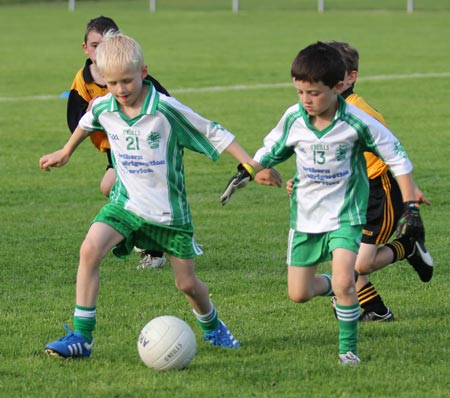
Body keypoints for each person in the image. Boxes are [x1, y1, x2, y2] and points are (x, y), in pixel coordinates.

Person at [39, 31, 268, 358]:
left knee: (187, 284)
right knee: (90, 249)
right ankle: (82, 337)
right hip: (125, 205)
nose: (121, 90)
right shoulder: (105, 105)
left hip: (169, 215)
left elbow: (213, 131)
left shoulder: (165, 110)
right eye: (113, 83)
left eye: (127, 81)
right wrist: (66, 151)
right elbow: (88, 121)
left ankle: (213, 326)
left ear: (143, 73)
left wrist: (251, 165)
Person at [220, 41, 426, 365]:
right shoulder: (294, 118)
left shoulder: (357, 122)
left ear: (338, 86)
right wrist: (247, 171)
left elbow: (397, 157)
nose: (306, 100)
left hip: (346, 214)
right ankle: (335, 287)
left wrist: (411, 205)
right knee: (298, 294)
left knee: (348, 278)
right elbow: (272, 148)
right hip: (305, 218)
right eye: (300, 92)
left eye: (314, 93)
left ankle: (348, 350)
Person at [285, 41, 434, 322]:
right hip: (342, 195)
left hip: (378, 192)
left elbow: (393, 151)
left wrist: (409, 189)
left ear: (348, 77)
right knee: (343, 257)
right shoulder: (321, 109)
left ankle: (407, 247)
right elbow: (319, 153)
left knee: (360, 263)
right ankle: (376, 310)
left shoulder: (360, 113)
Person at [67, 16, 168, 269]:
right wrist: (95, 116)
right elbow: (75, 122)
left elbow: (166, 103)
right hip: (116, 150)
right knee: (109, 188)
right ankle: (154, 233)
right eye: (94, 45)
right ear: (85, 48)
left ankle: (153, 248)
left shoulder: (129, 73)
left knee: (129, 191)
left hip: (143, 146)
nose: (100, 50)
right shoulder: (82, 81)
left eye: (105, 43)